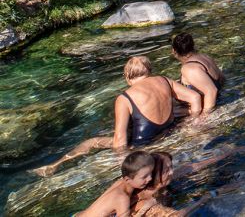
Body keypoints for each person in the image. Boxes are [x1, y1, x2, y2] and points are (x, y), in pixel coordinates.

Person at [35, 57, 202, 177]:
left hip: (141, 143)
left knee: (91, 142)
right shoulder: (164, 80)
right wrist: (193, 122)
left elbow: (120, 138)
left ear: (127, 77)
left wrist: (122, 165)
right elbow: (195, 97)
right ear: (149, 71)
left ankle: (54, 166)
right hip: (166, 132)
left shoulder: (124, 98)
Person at [76, 151, 157, 217]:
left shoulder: (120, 183)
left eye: (151, 173)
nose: (150, 178)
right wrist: (146, 207)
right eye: (144, 177)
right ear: (128, 179)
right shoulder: (122, 199)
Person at [171, 33, 224, 115]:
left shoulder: (189, 68)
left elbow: (212, 91)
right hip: (217, 98)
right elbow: (221, 78)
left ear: (174, 51)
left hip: (203, 108)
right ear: (193, 46)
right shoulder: (205, 57)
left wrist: (203, 118)